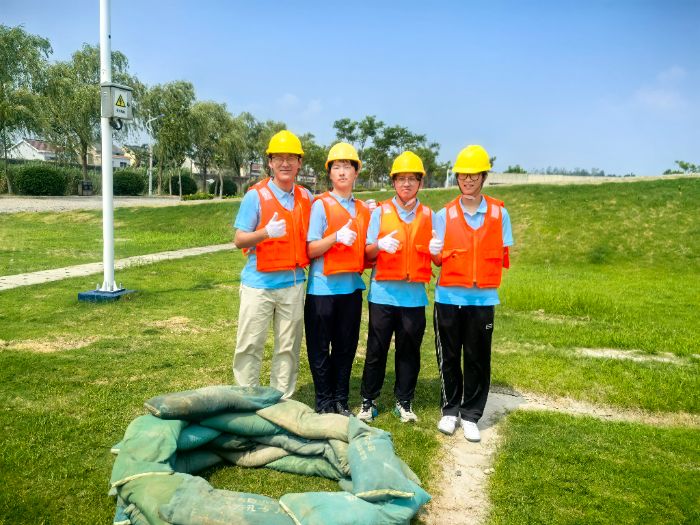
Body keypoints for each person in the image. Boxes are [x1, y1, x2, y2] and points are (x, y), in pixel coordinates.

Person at [430, 145, 514, 442]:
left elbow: (501, 250)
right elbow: (437, 259)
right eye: (463, 175)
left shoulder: (499, 214)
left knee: (478, 358)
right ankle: (450, 410)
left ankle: (470, 415)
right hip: (448, 298)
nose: (468, 180)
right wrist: (434, 252)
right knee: (449, 356)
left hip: (482, 299)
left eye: (474, 175)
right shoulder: (443, 215)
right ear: (457, 178)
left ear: (483, 177)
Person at [357, 151, 438, 423]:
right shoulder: (380, 213)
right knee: (376, 350)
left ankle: (404, 401)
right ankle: (368, 401)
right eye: (401, 178)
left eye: (412, 179)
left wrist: (437, 250)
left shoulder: (429, 215)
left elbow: (437, 256)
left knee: (409, 352)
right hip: (383, 294)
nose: (406, 184)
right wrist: (379, 245)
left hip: (413, 298)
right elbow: (367, 252)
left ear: (420, 183)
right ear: (393, 182)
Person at [232, 130, 313, 399]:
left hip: (292, 284)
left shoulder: (307, 197)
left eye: (291, 158)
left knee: (288, 348)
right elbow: (239, 239)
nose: (285, 163)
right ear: (270, 162)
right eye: (279, 158)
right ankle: (247, 399)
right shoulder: (255, 196)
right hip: (259, 285)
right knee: (250, 345)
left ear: (300, 163)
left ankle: (282, 400)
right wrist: (266, 232)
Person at [304, 142, 374, 416]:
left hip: (351, 289)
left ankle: (340, 400)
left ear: (356, 172)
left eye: (347, 167)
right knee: (320, 348)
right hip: (322, 289)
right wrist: (335, 238)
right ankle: (324, 401)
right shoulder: (320, 206)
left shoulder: (363, 209)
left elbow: (369, 248)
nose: (342, 172)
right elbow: (311, 249)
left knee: (346, 348)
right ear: (330, 173)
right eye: (337, 167)